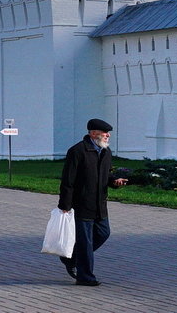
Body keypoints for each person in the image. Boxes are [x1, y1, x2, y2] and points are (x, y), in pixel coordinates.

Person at [57, 118, 127, 286]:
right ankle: (85, 277)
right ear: (93, 133)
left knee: (103, 233)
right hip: (81, 204)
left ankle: (71, 257)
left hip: (100, 205)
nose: (108, 135)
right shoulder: (77, 151)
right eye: (105, 133)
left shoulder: (105, 152)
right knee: (85, 242)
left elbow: (106, 176)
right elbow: (68, 180)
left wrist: (114, 181)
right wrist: (65, 205)